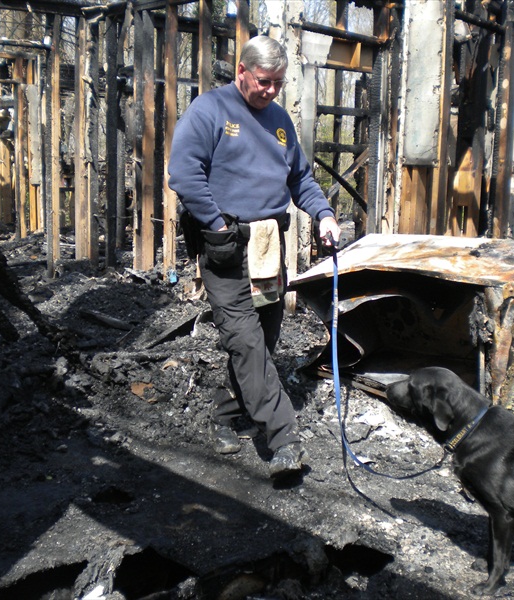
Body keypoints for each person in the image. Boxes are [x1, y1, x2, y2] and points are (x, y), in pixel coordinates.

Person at [167, 35, 340, 479]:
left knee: (261, 339)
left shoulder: (280, 121)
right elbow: (184, 174)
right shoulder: (209, 112)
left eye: (278, 84)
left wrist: (322, 214)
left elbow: (300, 178)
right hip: (226, 247)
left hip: (268, 248)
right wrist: (217, 225)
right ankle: (284, 438)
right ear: (242, 71)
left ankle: (225, 413)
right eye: (264, 82)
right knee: (244, 339)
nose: (271, 91)